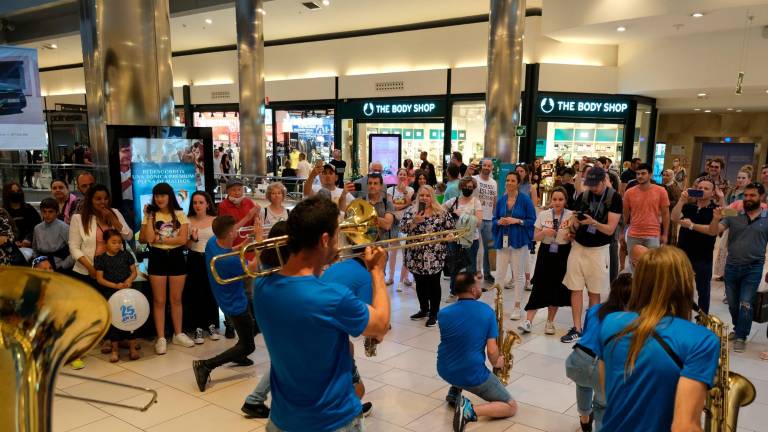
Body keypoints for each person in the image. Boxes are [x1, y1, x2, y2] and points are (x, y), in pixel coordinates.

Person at [252, 196, 391, 432]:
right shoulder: (332, 298)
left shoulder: (261, 286)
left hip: (282, 419)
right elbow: (379, 325)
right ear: (325, 239)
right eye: (338, 235)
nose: (340, 242)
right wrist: (377, 272)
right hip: (332, 421)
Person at [597, 247, 719, 431]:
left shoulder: (610, 323)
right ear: (685, 284)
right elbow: (684, 427)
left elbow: (609, 391)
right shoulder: (701, 340)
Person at [437, 272, 518, 431]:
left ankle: (455, 390)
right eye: (479, 285)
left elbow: (458, 342)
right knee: (511, 406)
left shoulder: (443, 313)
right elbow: (492, 352)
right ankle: (469, 410)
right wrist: (498, 362)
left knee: (459, 350)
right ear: (473, 290)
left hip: (444, 369)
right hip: (471, 374)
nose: (482, 288)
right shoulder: (486, 312)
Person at [193, 215, 259, 392]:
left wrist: (248, 240)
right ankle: (205, 365)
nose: (237, 230)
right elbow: (253, 266)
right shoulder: (230, 261)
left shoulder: (213, 243)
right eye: (235, 229)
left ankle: (239, 354)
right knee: (248, 345)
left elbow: (233, 249)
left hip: (226, 298)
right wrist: (259, 241)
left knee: (259, 325)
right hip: (236, 303)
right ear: (230, 233)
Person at [561, 167, 623, 344]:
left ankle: (592, 328)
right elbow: (575, 219)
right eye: (590, 185)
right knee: (575, 288)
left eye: (595, 185)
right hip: (578, 247)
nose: (593, 188)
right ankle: (577, 328)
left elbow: (610, 229)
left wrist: (593, 222)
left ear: (604, 181)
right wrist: (573, 224)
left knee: (595, 292)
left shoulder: (614, 198)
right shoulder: (584, 196)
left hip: (599, 250)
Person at [565, 272, 632, 432]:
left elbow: (588, 335)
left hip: (576, 360)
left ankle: (584, 418)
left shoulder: (595, 309)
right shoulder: (627, 319)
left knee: (583, 384)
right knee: (602, 405)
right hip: (599, 367)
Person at [707, 182, 768, 352]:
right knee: (733, 304)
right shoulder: (733, 212)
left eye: (752, 196)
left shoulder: (767, 217)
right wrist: (715, 218)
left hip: (754, 267)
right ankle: (737, 328)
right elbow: (714, 231)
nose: (747, 199)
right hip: (732, 265)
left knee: (746, 303)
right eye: (746, 195)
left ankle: (741, 335)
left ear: (761, 197)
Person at [139, 182, 193, 354]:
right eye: (156, 195)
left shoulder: (179, 214)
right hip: (157, 258)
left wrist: (160, 239)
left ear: (169, 196)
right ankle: (161, 337)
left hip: (177, 257)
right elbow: (147, 238)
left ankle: (178, 334)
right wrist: (147, 218)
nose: (159, 198)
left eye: (162, 195)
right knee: (159, 300)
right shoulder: (150, 215)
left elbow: (183, 240)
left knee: (176, 299)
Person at [518, 187, 572, 335]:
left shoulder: (570, 215)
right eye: (554, 199)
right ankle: (528, 321)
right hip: (546, 253)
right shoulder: (543, 214)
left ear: (565, 200)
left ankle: (550, 322)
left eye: (561, 199)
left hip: (562, 254)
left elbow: (575, 236)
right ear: (550, 200)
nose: (557, 202)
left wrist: (570, 237)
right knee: (539, 286)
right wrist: (544, 233)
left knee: (557, 288)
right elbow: (534, 237)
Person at [401, 185, 455, 327]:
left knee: (433, 283)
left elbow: (450, 229)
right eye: (422, 195)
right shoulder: (411, 211)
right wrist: (414, 222)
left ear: (432, 196)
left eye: (427, 195)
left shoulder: (442, 212)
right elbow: (402, 228)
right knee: (420, 282)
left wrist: (449, 235)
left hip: (435, 255)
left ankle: (434, 313)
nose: (424, 198)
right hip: (415, 255)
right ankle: (424, 309)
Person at [492, 171, 536, 320]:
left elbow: (532, 220)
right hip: (502, 241)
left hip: (519, 241)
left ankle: (517, 307)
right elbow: (494, 219)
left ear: (518, 183)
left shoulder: (525, 200)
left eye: (513, 181)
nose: (509, 183)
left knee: (518, 275)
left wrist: (517, 221)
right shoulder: (501, 200)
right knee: (499, 274)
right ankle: (496, 304)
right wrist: (498, 222)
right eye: (508, 180)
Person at [671, 180, 718, 313]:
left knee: (703, 291)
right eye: (699, 187)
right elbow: (674, 218)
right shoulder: (688, 207)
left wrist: (691, 226)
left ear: (712, 193)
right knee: (678, 288)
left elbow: (712, 230)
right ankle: (679, 315)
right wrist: (681, 200)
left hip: (703, 257)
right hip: (683, 255)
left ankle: (703, 320)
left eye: (706, 188)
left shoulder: (715, 210)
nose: (702, 190)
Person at [94, 229, 139, 362]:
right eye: (113, 242)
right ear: (106, 243)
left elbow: (134, 272)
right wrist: (115, 286)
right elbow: (100, 279)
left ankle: (132, 348)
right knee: (114, 321)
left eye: (119, 242)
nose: (117, 245)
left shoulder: (126, 255)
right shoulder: (101, 259)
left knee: (130, 318)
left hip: (127, 293)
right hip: (111, 294)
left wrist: (129, 280)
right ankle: (115, 350)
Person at [183, 191, 221, 343]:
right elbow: (185, 245)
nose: (197, 205)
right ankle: (197, 327)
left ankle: (212, 324)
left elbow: (220, 241)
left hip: (211, 259)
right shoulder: (187, 220)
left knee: (211, 291)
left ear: (207, 204)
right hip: (194, 258)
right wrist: (193, 239)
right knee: (195, 293)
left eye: (201, 202)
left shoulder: (215, 220)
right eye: (195, 203)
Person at [622, 163, 670, 265]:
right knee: (634, 265)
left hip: (652, 234)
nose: (640, 176)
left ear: (650, 175)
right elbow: (625, 215)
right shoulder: (629, 193)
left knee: (652, 266)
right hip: (634, 234)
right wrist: (622, 232)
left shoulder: (661, 191)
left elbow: (666, 214)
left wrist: (665, 234)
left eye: (643, 173)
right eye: (638, 174)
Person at [443, 176, 482, 297]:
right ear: (461, 187)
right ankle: (454, 292)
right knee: (454, 266)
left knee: (470, 267)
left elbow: (479, 221)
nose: (467, 189)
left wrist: (462, 216)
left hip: (471, 239)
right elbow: (440, 209)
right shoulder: (454, 201)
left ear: (473, 188)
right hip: (455, 239)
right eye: (465, 186)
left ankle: (469, 292)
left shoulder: (476, 202)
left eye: (470, 187)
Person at [386, 168, 414, 290]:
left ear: (407, 177)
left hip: (406, 222)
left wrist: (404, 193)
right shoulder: (390, 190)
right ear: (397, 176)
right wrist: (400, 206)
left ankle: (406, 277)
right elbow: (390, 204)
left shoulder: (410, 190)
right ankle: (391, 277)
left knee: (405, 251)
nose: (402, 176)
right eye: (400, 174)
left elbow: (410, 203)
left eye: (404, 174)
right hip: (393, 222)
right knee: (393, 251)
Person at [473, 159, 498, 283]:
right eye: (485, 165)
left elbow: (494, 200)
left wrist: (494, 215)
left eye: (489, 166)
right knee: (474, 247)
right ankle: (474, 271)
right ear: (481, 166)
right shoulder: (475, 179)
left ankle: (487, 273)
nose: (487, 167)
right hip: (475, 218)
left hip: (489, 220)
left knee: (489, 248)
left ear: (492, 168)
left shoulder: (494, 183)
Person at [218, 178, 261, 249]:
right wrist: (248, 217)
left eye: (239, 189)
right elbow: (228, 230)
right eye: (233, 190)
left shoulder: (248, 202)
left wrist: (257, 215)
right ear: (228, 191)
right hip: (232, 245)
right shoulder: (223, 205)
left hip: (249, 242)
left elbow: (255, 223)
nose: (237, 193)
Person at [32, 198, 74, 271]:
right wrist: (37, 262)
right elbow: (35, 248)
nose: (47, 215)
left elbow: (74, 251)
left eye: (50, 212)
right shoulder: (37, 228)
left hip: (58, 266)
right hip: (41, 265)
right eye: (44, 212)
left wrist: (63, 266)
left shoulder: (64, 228)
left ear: (57, 212)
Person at [3, 181, 41, 253]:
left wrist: (28, 239)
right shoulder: (3, 212)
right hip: (9, 247)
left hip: (29, 245)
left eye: (18, 191)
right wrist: (13, 241)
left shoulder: (29, 209)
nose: (16, 193)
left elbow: (38, 226)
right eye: (13, 191)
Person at [661, 169, 681, 245]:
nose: (665, 177)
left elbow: (678, 201)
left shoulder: (673, 187)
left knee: (670, 231)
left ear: (672, 177)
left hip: (671, 213)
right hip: (663, 212)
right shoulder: (663, 186)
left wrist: (666, 203)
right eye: (664, 175)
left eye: (667, 175)